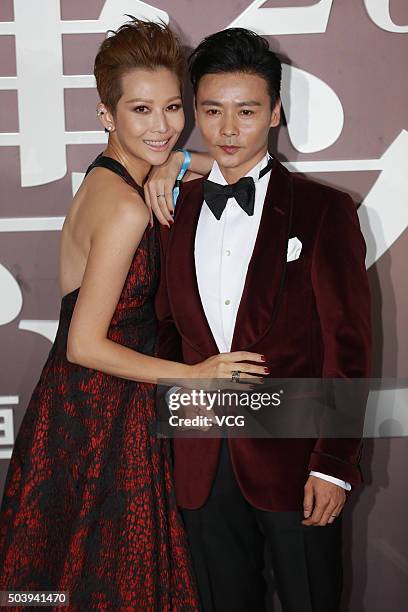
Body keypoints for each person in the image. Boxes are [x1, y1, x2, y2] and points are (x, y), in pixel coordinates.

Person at [0, 20, 266, 609]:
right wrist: (197, 376)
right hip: (101, 413)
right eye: (141, 109)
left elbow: (209, 161)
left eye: (172, 107)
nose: (163, 125)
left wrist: (175, 163)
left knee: (65, 583)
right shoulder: (124, 207)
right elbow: (85, 344)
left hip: (90, 404)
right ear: (106, 114)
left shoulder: (110, 178)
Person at [154, 28, 372, 611]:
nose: (227, 130)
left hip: (296, 462)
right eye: (212, 111)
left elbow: (346, 349)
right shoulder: (175, 209)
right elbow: (168, 332)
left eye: (246, 111)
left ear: (275, 112)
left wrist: (334, 465)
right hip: (200, 459)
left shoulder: (324, 210)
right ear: (195, 111)